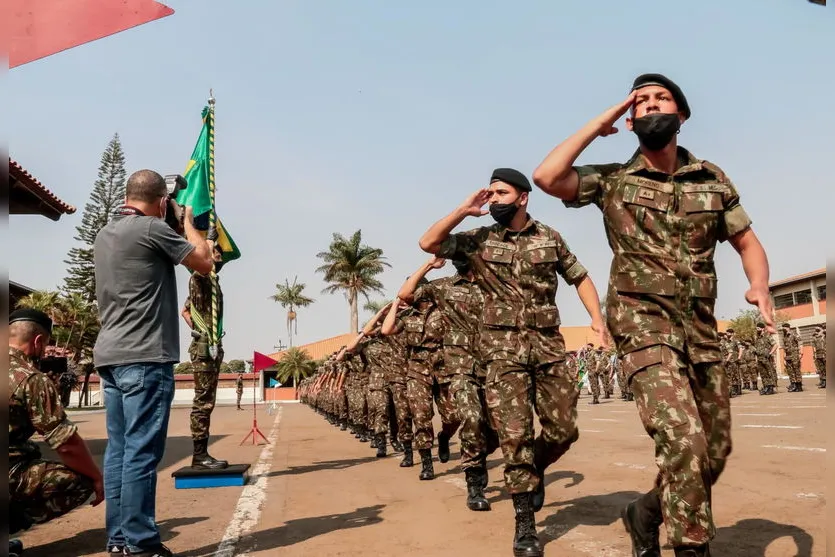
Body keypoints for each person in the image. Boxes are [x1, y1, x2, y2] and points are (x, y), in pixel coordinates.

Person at [532, 73, 774, 556]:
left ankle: (644, 513)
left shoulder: (712, 178)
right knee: (684, 440)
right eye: (640, 102)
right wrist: (598, 123)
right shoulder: (613, 180)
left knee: (713, 452)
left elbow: (747, 241)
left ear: (681, 115)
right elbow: (547, 177)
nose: (652, 106)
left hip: (700, 331)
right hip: (642, 326)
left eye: (662, 98)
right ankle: (690, 546)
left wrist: (760, 284)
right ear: (629, 118)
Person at [419, 168, 606, 556]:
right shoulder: (478, 240)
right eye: (491, 194)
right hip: (502, 353)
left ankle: (534, 470)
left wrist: (597, 320)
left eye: (501, 193)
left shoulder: (549, 237)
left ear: (522, 198)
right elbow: (428, 243)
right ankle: (525, 526)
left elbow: (580, 277)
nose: (494, 200)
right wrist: (462, 210)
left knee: (563, 429)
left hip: (548, 347)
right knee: (515, 436)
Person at [93, 169, 214, 557]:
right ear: (161, 202)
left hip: (110, 356)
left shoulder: (105, 234)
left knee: (120, 450)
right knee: (142, 453)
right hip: (144, 357)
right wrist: (189, 222)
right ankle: (141, 542)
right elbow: (204, 261)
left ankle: (118, 538)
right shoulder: (150, 229)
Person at [8, 309, 105, 557]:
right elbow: (66, 444)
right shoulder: (29, 377)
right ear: (39, 341)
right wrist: (96, 477)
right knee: (79, 482)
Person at [182, 242, 229, 469]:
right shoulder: (200, 277)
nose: (219, 256)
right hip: (204, 349)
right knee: (203, 402)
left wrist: (198, 328)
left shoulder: (212, 282)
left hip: (210, 344)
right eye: (216, 252)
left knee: (207, 400)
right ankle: (199, 455)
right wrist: (201, 334)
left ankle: (201, 453)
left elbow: (185, 309)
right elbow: (201, 266)